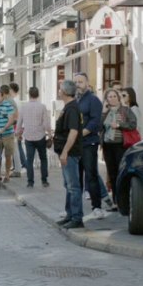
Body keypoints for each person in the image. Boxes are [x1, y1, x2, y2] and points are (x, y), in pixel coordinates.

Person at [73, 72, 105, 218]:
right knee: (76, 177)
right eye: (76, 82)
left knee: (91, 175)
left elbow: (95, 121)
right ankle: (75, 209)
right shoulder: (75, 100)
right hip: (76, 144)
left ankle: (97, 207)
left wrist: (82, 133)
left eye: (81, 82)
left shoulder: (93, 100)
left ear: (87, 83)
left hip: (89, 142)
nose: (78, 84)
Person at [53, 80, 84, 229]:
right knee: (68, 185)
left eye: (60, 89)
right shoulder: (69, 107)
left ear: (64, 92)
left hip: (70, 152)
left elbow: (73, 132)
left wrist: (65, 151)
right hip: (66, 152)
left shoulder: (72, 109)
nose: (58, 91)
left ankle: (77, 217)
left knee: (73, 186)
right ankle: (70, 214)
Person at [99, 88, 137, 209]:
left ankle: (123, 201)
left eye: (114, 96)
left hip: (121, 145)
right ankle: (115, 200)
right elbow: (99, 127)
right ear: (106, 100)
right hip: (107, 145)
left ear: (118, 97)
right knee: (112, 173)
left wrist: (119, 125)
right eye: (109, 97)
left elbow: (132, 124)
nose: (112, 99)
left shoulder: (125, 110)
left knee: (121, 172)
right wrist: (104, 112)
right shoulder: (105, 112)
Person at [16, 86, 52, 188]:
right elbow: (46, 123)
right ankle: (44, 180)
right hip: (40, 136)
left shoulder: (24, 107)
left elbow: (19, 123)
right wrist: (49, 134)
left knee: (29, 160)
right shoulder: (42, 106)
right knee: (43, 158)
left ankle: (30, 182)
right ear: (38, 95)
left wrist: (18, 134)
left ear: (29, 95)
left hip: (28, 137)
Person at [0, 85, 17, 181]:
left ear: (2, 97)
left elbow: (11, 120)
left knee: (8, 156)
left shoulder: (8, 106)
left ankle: (7, 175)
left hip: (8, 135)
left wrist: (3, 128)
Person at [8, 82, 26, 177]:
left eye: (9, 90)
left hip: (15, 126)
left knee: (16, 148)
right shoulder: (17, 100)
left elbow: (16, 116)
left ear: (11, 90)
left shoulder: (14, 101)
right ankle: (19, 166)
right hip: (18, 126)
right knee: (17, 147)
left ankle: (21, 166)